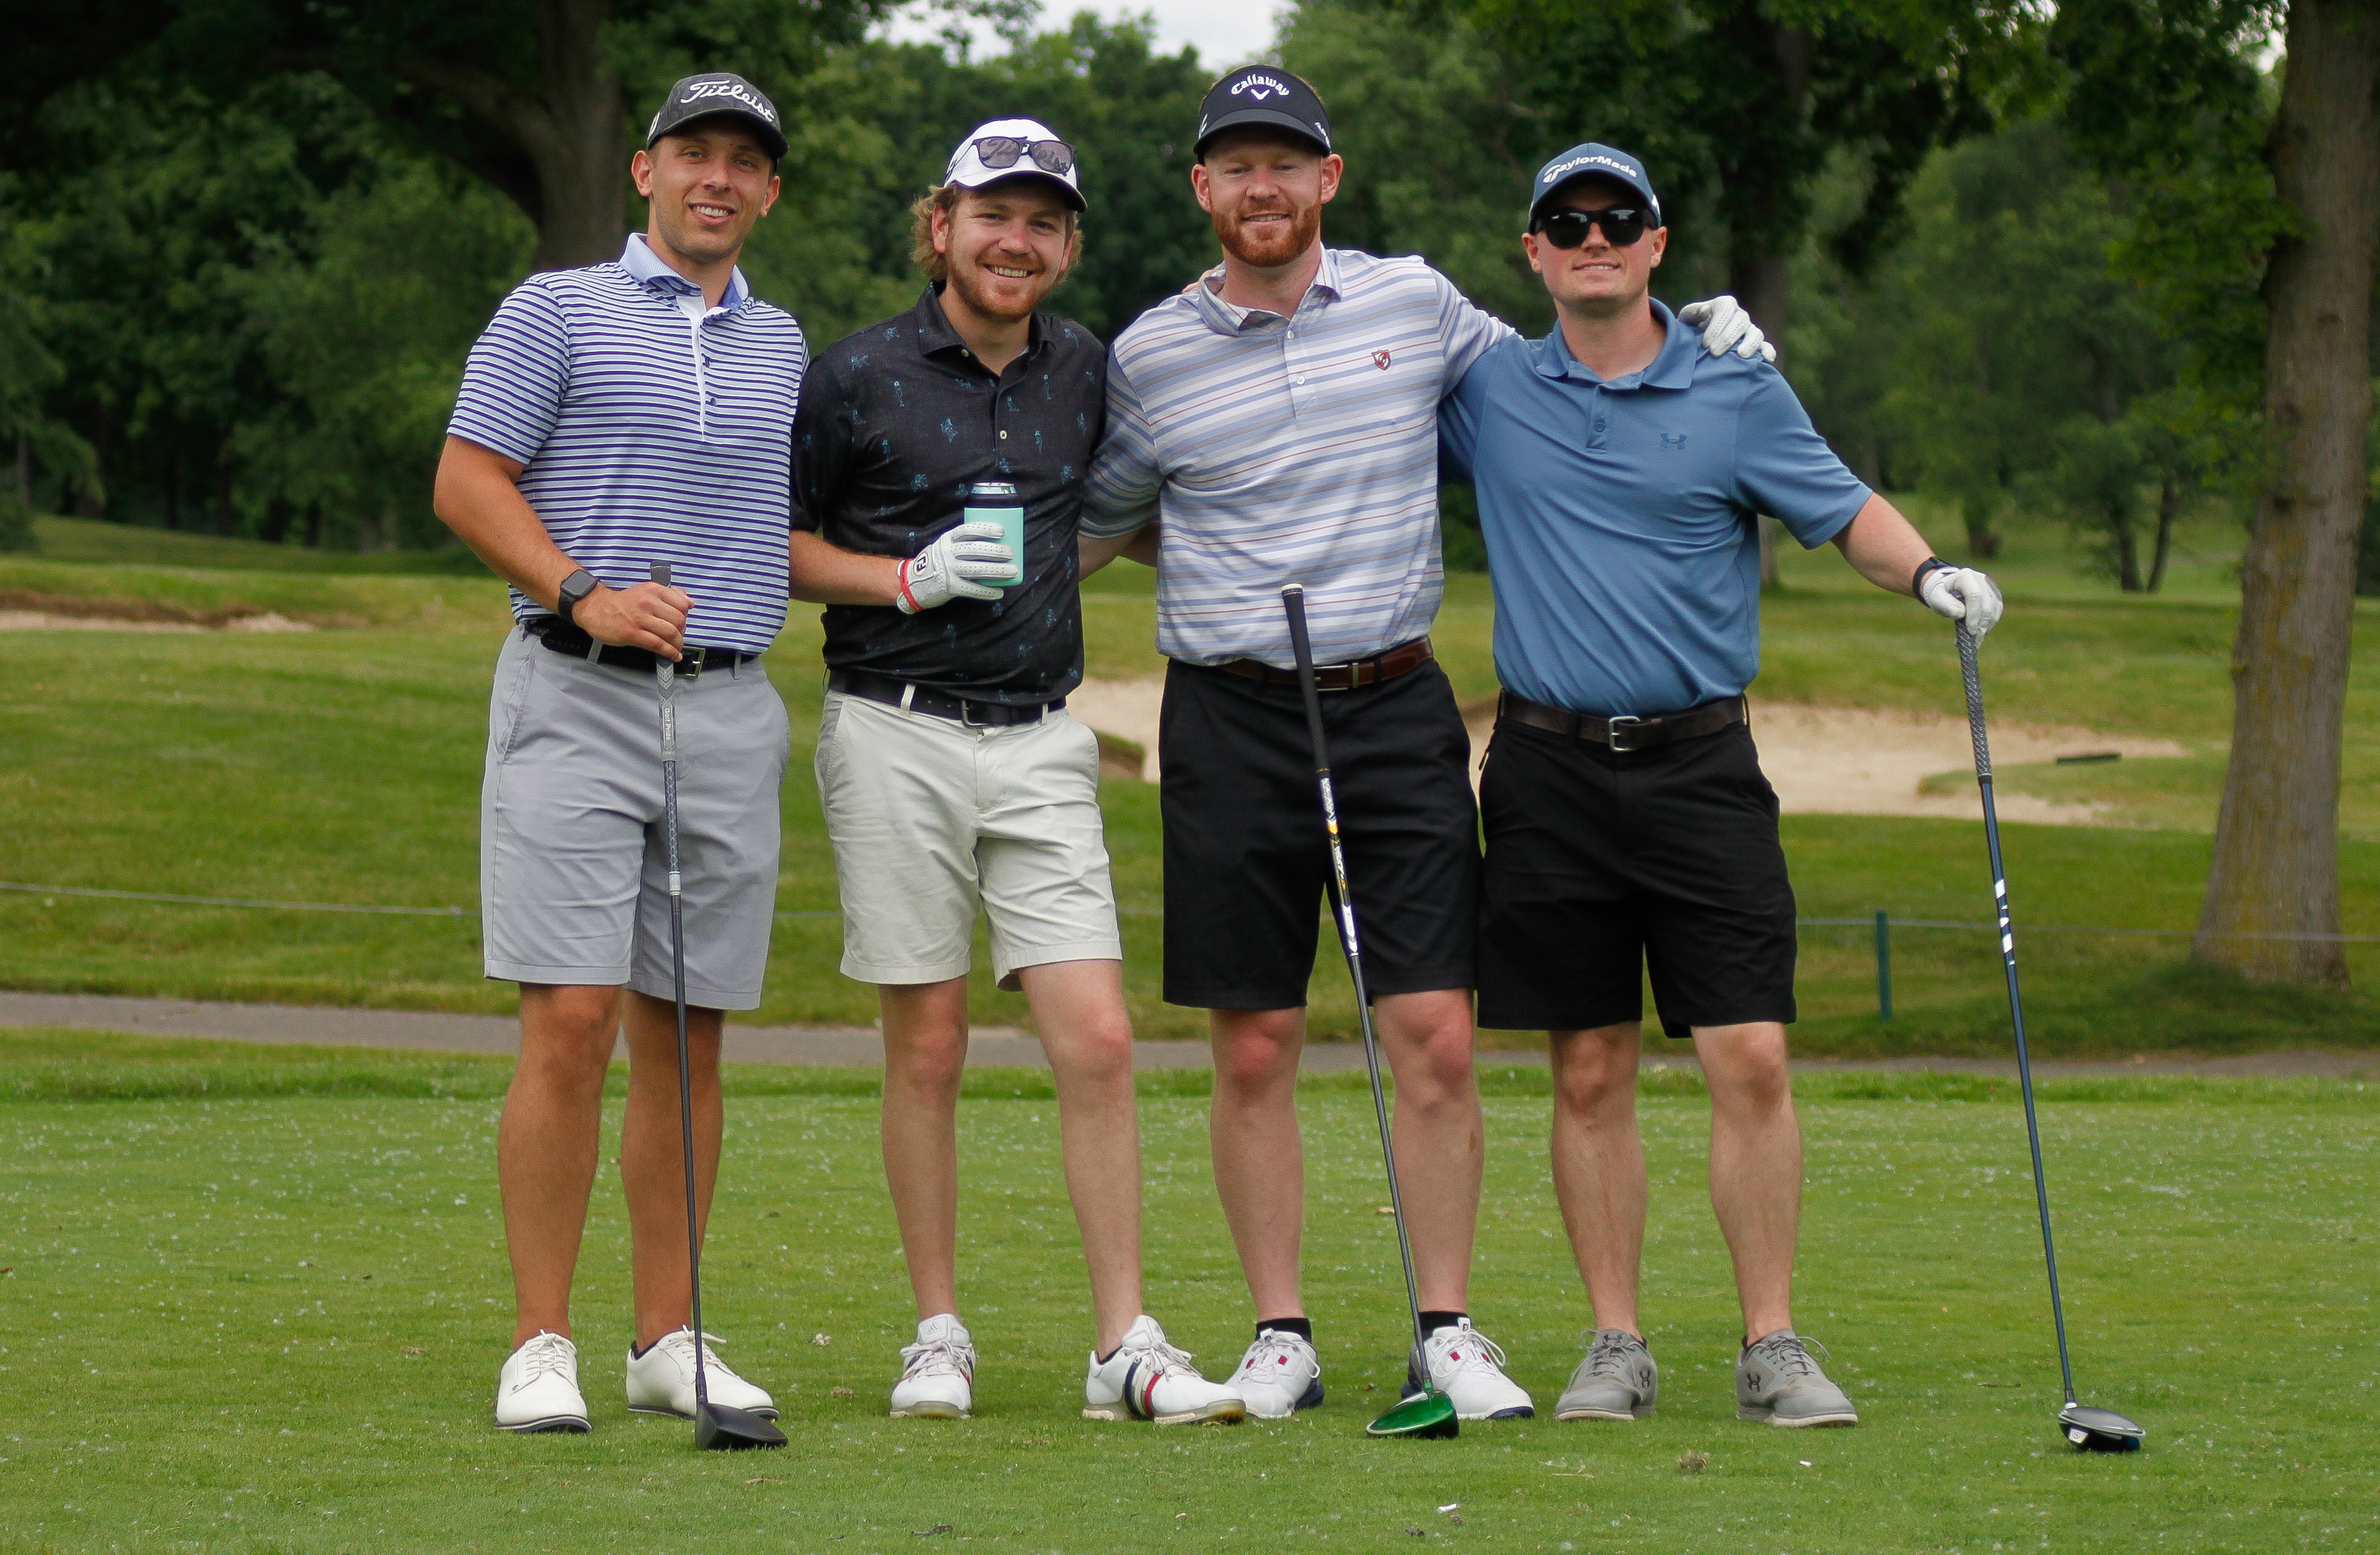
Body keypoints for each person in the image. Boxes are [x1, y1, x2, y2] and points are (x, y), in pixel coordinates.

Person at [1076, 69, 1769, 1422]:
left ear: (1327, 180)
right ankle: (1281, 1334)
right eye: (1236, 167)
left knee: (1436, 1035)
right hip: (1227, 712)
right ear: (1202, 191)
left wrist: (1693, 335)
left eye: (1287, 163)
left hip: (1391, 706)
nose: (1261, 188)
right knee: (1257, 1042)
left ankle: (1444, 1326)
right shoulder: (1150, 353)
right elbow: (1101, 515)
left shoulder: (1416, 304)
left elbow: (1573, 372)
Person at [1437, 143, 2004, 1427]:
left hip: (1700, 766)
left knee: (1747, 1053)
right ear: (1531, 249)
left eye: (1615, 218)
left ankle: (1770, 1344)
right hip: (1543, 768)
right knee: (1587, 1067)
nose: (1592, 236)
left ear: (1655, 241)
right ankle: (1615, 1343)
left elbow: (1843, 507)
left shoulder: (1737, 389)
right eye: (1563, 221)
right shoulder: (1485, 391)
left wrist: (1928, 577)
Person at [788, 119, 1246, 1427]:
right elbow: (778, 546)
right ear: (942, 225)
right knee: (926, 1046)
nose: (1017, 240)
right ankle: (938, 1334)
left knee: (1096, 1039)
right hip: (892, 725)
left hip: (1042, 733)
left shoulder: (1087, 371)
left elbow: (1136, 505)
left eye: (1045, 221)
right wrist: (901, 578)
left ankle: (1123, 1347)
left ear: (1066, 245)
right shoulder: (855, 374)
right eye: (996, 214)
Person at [433, 72, 807, 1435]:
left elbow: (780, 532)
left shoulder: (782, 346)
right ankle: (543, 1341)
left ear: (769, 192)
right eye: (692, 153)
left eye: (744, 162)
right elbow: (467, 478)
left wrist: (914, 577)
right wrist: (580, 585)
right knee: (573, 1019)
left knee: (691, 1034)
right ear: (643, 172)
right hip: (573, 689)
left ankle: (668, 1338)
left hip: (724, 709)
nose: (717, 178)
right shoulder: (556, 308)